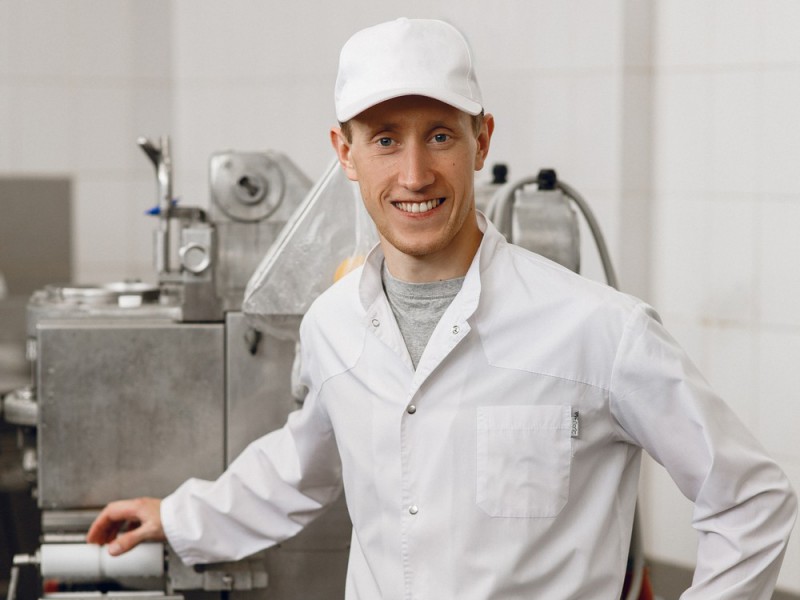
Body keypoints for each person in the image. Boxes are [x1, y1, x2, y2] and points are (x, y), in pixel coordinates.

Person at [87, 17, 797, 598]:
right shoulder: (332, 326)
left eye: (439, 135)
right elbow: (304, 464)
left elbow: (750, 498)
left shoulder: (600, 331)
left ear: (481, 141)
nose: (415, 174)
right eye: (384, 139)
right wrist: (178, 516)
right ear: (345, 152)